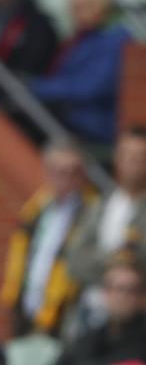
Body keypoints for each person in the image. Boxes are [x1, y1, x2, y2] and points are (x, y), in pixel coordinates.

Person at [0, 139, 97, 337]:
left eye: (73, 172)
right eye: (60, 171)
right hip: (26, 304)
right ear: (48, 173)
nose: (66, 179)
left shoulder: (92, 212)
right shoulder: (36, 209)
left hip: (66, 309)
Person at [67, 126, 146, 335]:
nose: (133, 162)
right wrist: (113, 263)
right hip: (89, 309)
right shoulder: (99, 205)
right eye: (127, 155)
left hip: (136, 318)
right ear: (117, 159)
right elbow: (75, 261)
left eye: (140, 157)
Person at [28, 0, 132, 156]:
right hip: (68, 123)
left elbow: (90, 88)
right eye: (74, 3)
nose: (77, 6)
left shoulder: (117, 39)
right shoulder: (78, 40)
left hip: (92, 131)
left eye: (85, 3)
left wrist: (36, 87)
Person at [56, 250, 146, 365]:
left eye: (131, 290)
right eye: (118, 289)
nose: (122, 297)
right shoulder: (85, 342)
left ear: (142, 296)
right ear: (105, 292)